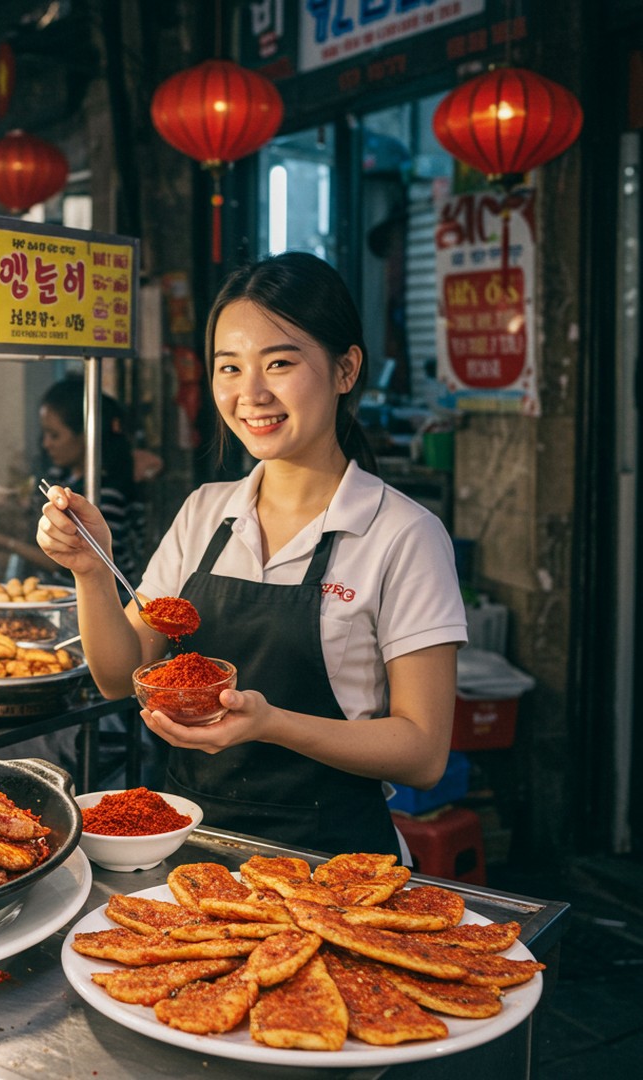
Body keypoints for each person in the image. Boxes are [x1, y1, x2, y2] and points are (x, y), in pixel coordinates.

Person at [37, 252, 467, 857]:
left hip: (336, 864)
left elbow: (423, 752)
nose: (251, 393)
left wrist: (271, 724)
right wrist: (90, 571)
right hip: (190, 849)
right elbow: (118, 674)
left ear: (346, 369)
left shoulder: (402, 533)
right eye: (229, 368)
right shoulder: (206, 512)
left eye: (280, 363)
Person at [0, 376, 145, 584]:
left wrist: (0, 540)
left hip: (111, 602)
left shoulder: (107, 493)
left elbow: (69, 561)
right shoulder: (60, 476)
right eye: (44, 434)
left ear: (86, 435)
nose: (46, 444)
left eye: (54, 435)